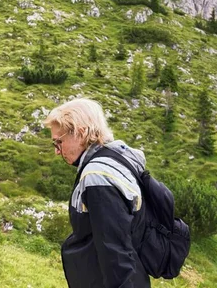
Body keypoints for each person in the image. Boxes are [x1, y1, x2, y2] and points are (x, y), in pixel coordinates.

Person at [43, 98, 150, 288]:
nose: (57, 152)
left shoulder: (98, 177)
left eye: (58, 142)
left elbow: (116, 252)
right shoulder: (115, 162)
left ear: (81, 132)